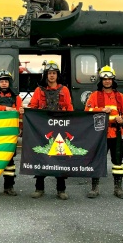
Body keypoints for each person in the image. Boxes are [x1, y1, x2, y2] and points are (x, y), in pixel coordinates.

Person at [28, 61, 74, 200]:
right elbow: (33, 106)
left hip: (59, 128)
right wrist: (27, 111)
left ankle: (61, 189)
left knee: (60, 158)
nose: (52, 76)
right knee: (41, 156)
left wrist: (70, 125)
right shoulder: (39, 90)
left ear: (57, 75)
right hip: (43, 128)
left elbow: (69, 108)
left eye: (54, 73)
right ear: (46, 75)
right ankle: (39, 188)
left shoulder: (64, 90)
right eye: (49, 73)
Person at [84, 65, 123, 199]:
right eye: (104, 79)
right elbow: (87, 111)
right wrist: (101, 110)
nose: (107, 81)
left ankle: (118, 188)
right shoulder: (94, 96)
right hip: (100, 134)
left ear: (113, 80)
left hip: (115, 133)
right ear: (101, 81)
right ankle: (94, 188)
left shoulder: (119, 96)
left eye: (109, 79)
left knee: (117, 161)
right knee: (97, 160)